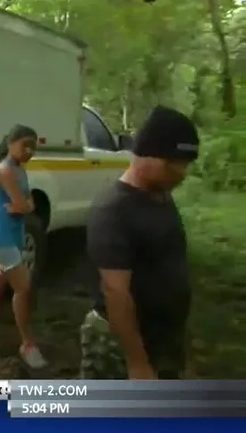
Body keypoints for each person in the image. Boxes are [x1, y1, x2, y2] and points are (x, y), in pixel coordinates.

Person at [81, 105, 199, 379]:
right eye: (174, 163)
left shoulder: (160, 196)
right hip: (121, 343)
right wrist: (137, 363)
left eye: (185, 164)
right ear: (148, 156)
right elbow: (115, 292)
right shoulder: (113, 210)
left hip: (163, 337)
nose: (181, 173)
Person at [0, 124, 48, 370]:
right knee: (23, 288)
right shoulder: (5, 169)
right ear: (10, 142)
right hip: (2, 238)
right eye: (25, 145)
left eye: (33, 147)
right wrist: (24, 205)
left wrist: (24, 205)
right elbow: (24, 204)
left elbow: (28, 205)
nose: (29, 151)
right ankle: (27, 344)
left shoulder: (18, 169)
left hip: (13, 235)